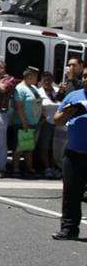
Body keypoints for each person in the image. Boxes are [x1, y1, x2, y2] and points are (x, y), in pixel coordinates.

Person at [51, 71, 87, 240]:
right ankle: (69, 229)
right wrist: (67, 112)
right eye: (85, 76)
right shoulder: (73, 96)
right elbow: (57, 120)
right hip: (74, 153)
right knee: (71, 193)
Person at [11, 67, 42, 177]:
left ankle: (29, 167)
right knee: (20, 146)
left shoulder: (33, 87)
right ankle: (15, 168)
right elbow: (19, 107)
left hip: (34, 122)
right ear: (30, 76)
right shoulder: (20, 89)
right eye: (35, 77)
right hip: (22, 122)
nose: (37, 79)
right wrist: (24, 122)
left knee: (29, 146)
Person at [36, 72, 61, 178]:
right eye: (45, 80)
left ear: (52, 80)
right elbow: (36, 107)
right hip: (46, 123)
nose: (47, 82)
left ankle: (55, 166)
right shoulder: (38, 92)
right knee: (45, 146)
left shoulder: (58, 91)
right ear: (41, 81)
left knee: (56, 148)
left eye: (49, 80)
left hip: (59, 124)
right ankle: (47, 168)